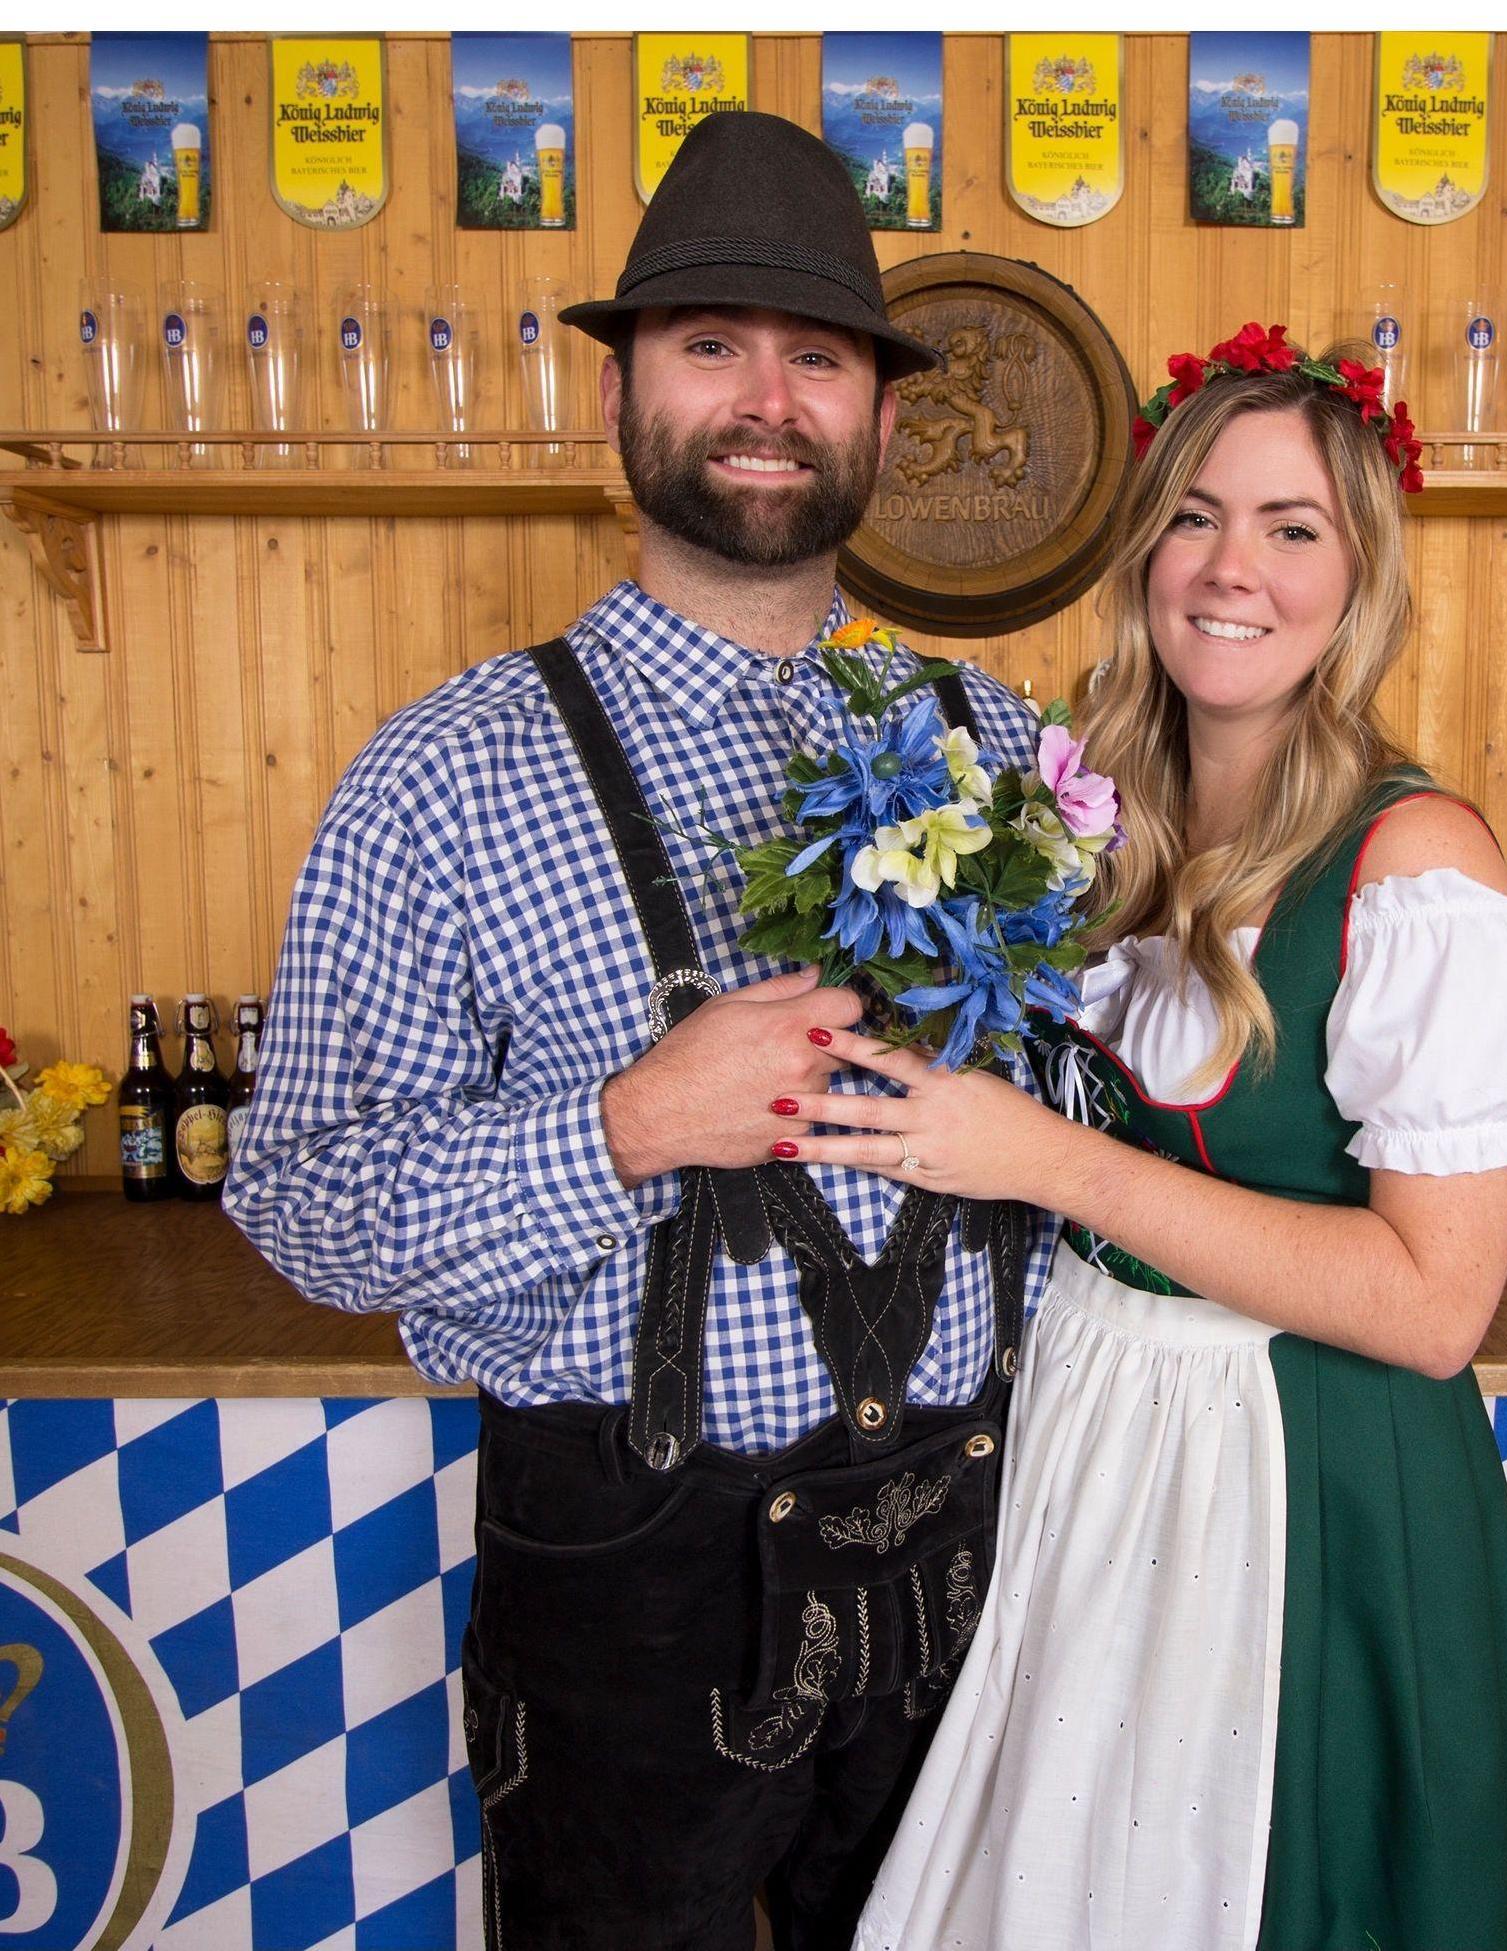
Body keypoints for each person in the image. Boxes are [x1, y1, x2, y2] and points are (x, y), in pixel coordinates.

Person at [225, 111, 1055, 1951]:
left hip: (969, 1551)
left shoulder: (993, 744)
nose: (767, 397)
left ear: (882, 423)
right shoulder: (442, 774)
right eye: (710, 347)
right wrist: (619, 1127)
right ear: (619, 400)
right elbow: (293, 1203)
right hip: (626, 1581)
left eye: (816, 358)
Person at [771, 330, 1507, 1950]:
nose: (1232, 568)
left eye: (1293, 527)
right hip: (1097, 1445)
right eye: (1196, 515)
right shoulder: (1096, 824)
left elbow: (1433, 1309)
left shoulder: (1417, 861)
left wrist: (1048, 1162)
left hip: (1300, 1488)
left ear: (1361, 574)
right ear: (1144, 549)